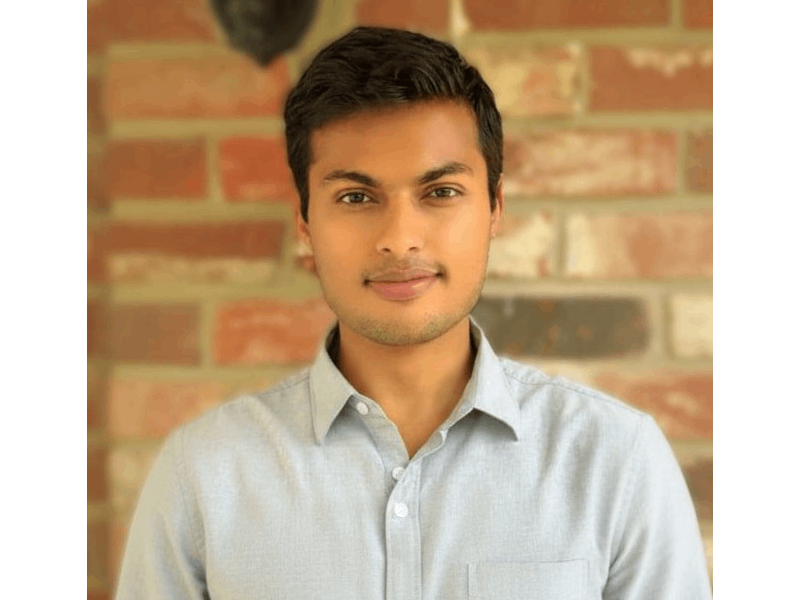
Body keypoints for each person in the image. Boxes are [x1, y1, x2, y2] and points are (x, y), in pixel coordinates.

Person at [115, 26, 712, 599]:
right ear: (305, 222)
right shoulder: (204, 476)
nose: (400, 239)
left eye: (441, 192)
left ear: (495, 207)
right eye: (356, 197)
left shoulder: (615, 460)